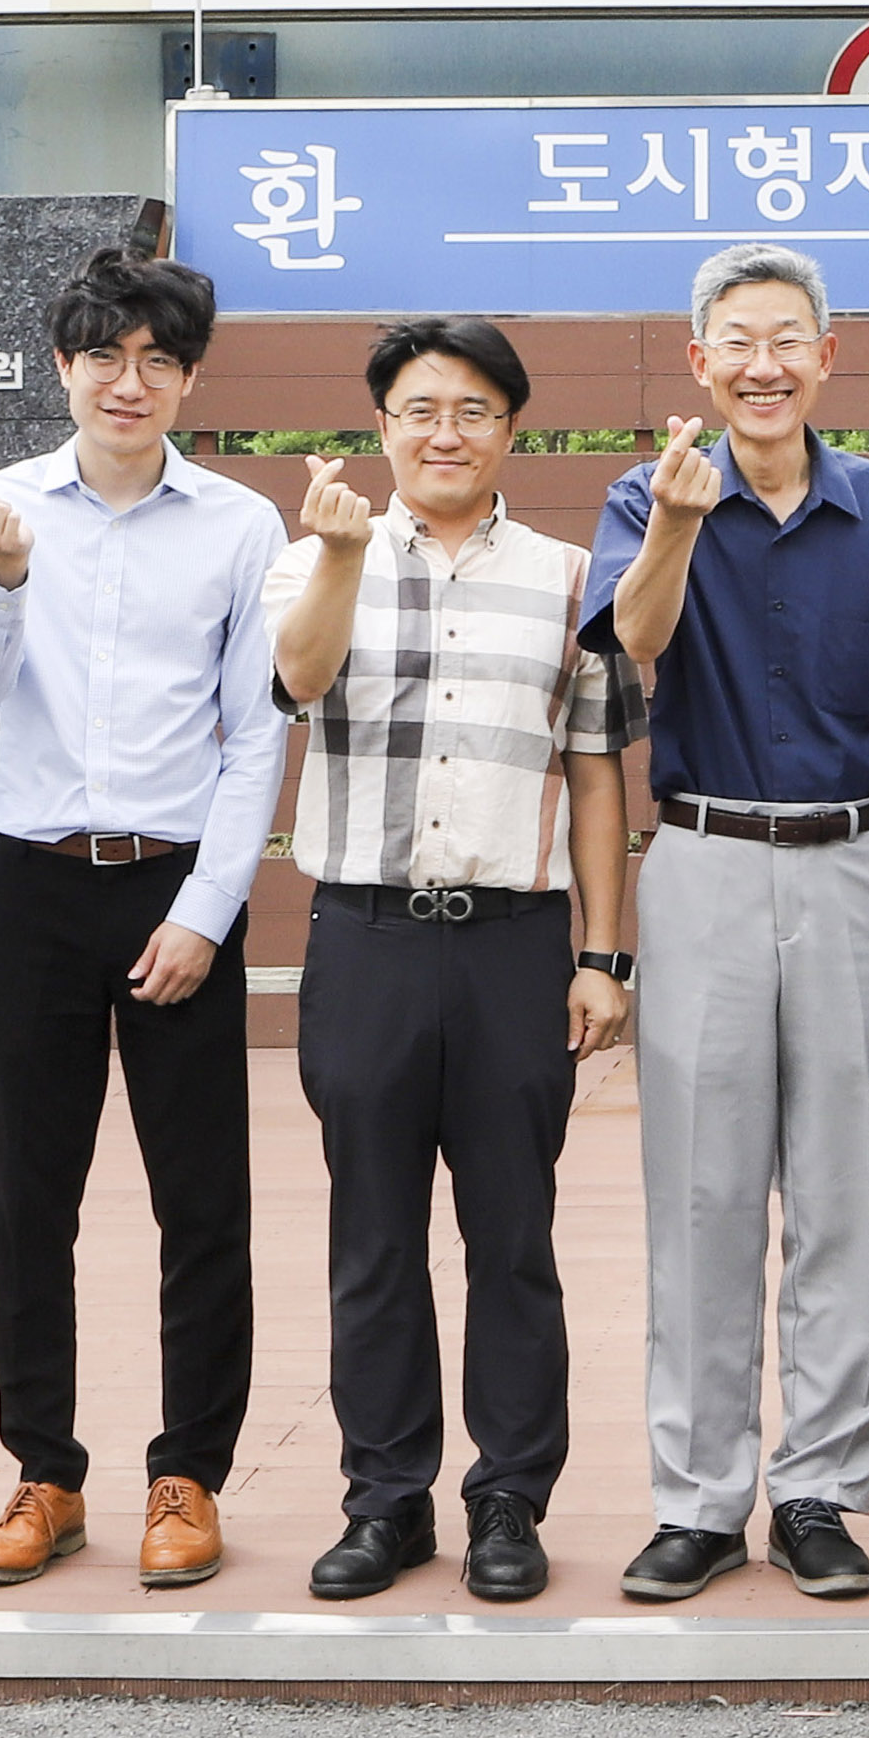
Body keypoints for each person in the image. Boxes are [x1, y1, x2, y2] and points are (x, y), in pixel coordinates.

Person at [585, 240, 869, 1604]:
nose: (762, 363)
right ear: (699, 363)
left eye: (787, 337)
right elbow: (636, 642)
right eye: (735, 339)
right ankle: (696, 1495)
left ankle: (823, 1490)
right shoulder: (647, 493)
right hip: (707, 856)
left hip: (857, 857)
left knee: (853, 1188)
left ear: (826, 356)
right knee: (701, 1191)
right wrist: (678, 521)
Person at [0, 245, 287, 1596]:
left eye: (156, 359)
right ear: (62, 365)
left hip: (172, 883)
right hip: (32, 883)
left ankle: (187, 1472)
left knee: (202, 1201)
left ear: (189, 376)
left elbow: (258, 734)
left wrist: (207, 908)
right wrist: (6, 580)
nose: (126, 381)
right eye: (102, 355)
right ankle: (46, 1472)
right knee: (33, 1197)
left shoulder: (240, 524)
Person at [268, 316, 639, 1606]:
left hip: (514, 947)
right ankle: (385, 1500)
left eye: (472, 408)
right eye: (420, 407)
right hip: (364, 933)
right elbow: (298, 678)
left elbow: (593, 775)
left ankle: (508, 1498)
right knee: (371, 1237)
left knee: (512, 1236)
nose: (444, 430)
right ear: (383, 426)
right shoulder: (320, 553)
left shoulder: (570, 574)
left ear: (511, 430)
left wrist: (604, 952)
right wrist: (332, 552)